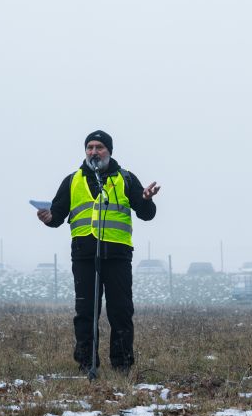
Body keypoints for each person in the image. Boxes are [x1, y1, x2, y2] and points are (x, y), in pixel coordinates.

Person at [36, 130, 160, 373]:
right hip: (84, 256)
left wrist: (146, 199)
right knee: (85, 312)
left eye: (99, 147)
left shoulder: (126, 178)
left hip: (118, 256)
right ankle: (86, 363)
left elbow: (146, 214)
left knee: (121, 311)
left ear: (109, 151)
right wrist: (47, 217)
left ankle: (122, 365)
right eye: (90, 147)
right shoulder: (72, 181)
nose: (94, 152)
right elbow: (57, 216)